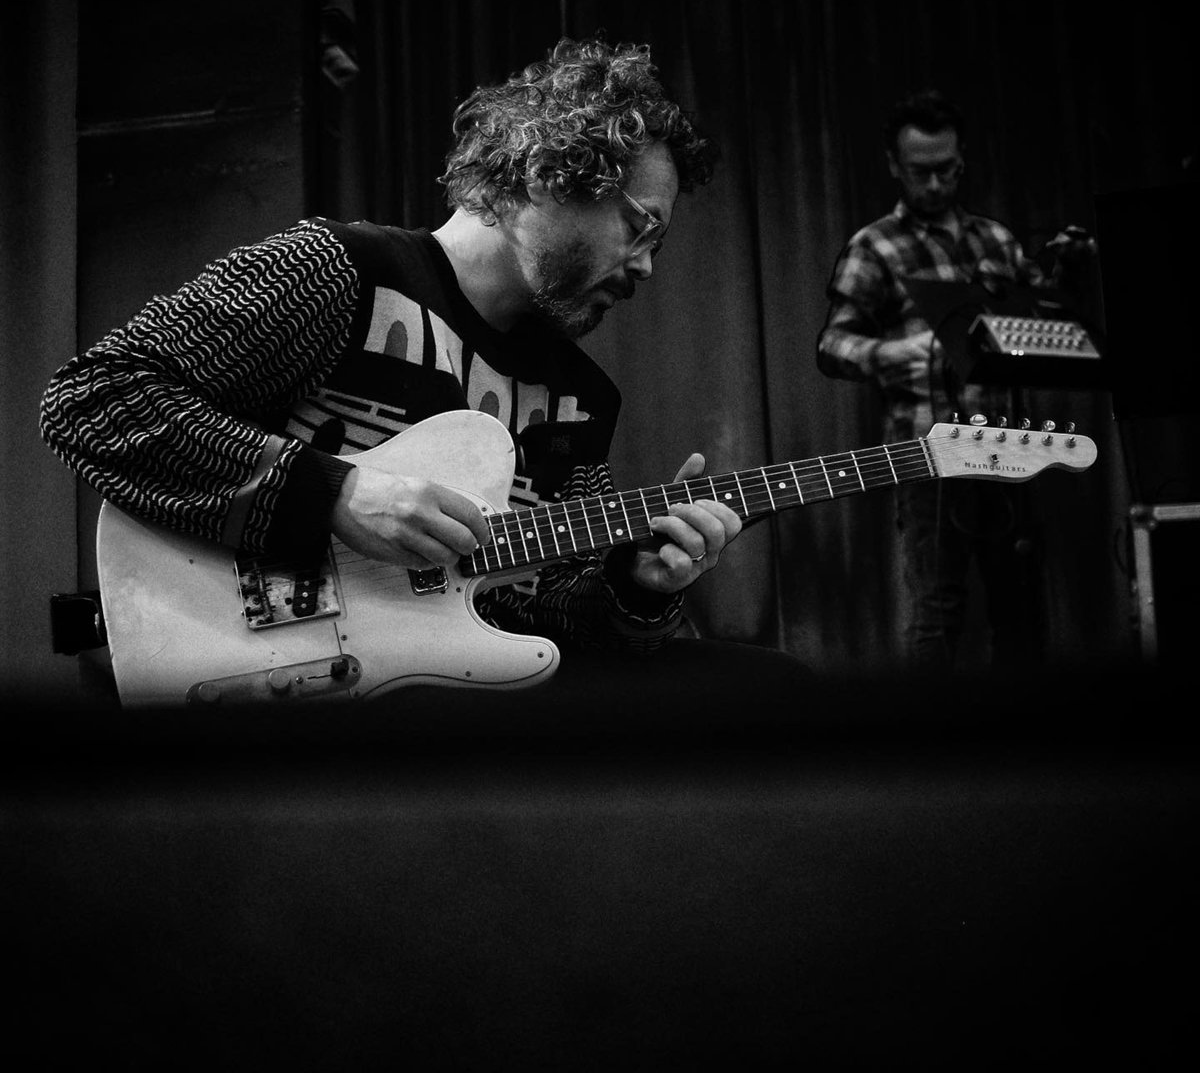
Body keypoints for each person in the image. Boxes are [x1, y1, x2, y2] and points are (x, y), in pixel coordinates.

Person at [40, 36, 772, 699]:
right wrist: (338, 494)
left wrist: (637, 588)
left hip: (442, 714)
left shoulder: (582, 399)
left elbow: (552, 621)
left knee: (759, 690)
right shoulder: (338, 270)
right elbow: (94, 400)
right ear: (549, 175)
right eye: (638, 228)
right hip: (255, 679)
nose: (645, 267)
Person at [817, 89, 1065, 678]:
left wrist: (1065, 275)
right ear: (894, 166)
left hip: (1010, 447)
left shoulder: (996, 240)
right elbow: (832, 345)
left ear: (962, 160)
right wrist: (888, 354)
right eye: (920, 171)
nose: (934, 183)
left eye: (946, 169)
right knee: (936, 614)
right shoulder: (875, 245)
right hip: (928, 455)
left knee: (1022, 610)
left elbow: (1044, 324)